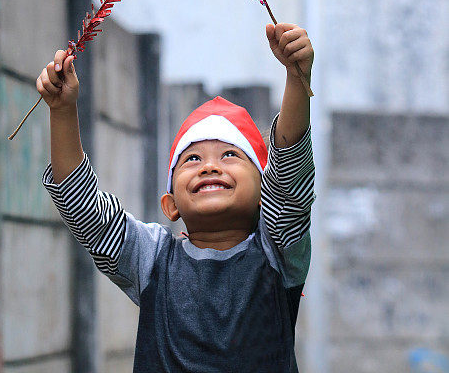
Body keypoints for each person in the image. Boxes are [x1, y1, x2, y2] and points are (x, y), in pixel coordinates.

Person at [39, 22, 315, 373]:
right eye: (193, 159)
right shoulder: (152, 259)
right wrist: (62, 111)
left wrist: (296, 76)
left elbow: (291, 170)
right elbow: (84, 210)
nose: (209, 167)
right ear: (170, 205)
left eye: (230, 155)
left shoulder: (278, 249)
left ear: (266, 194)